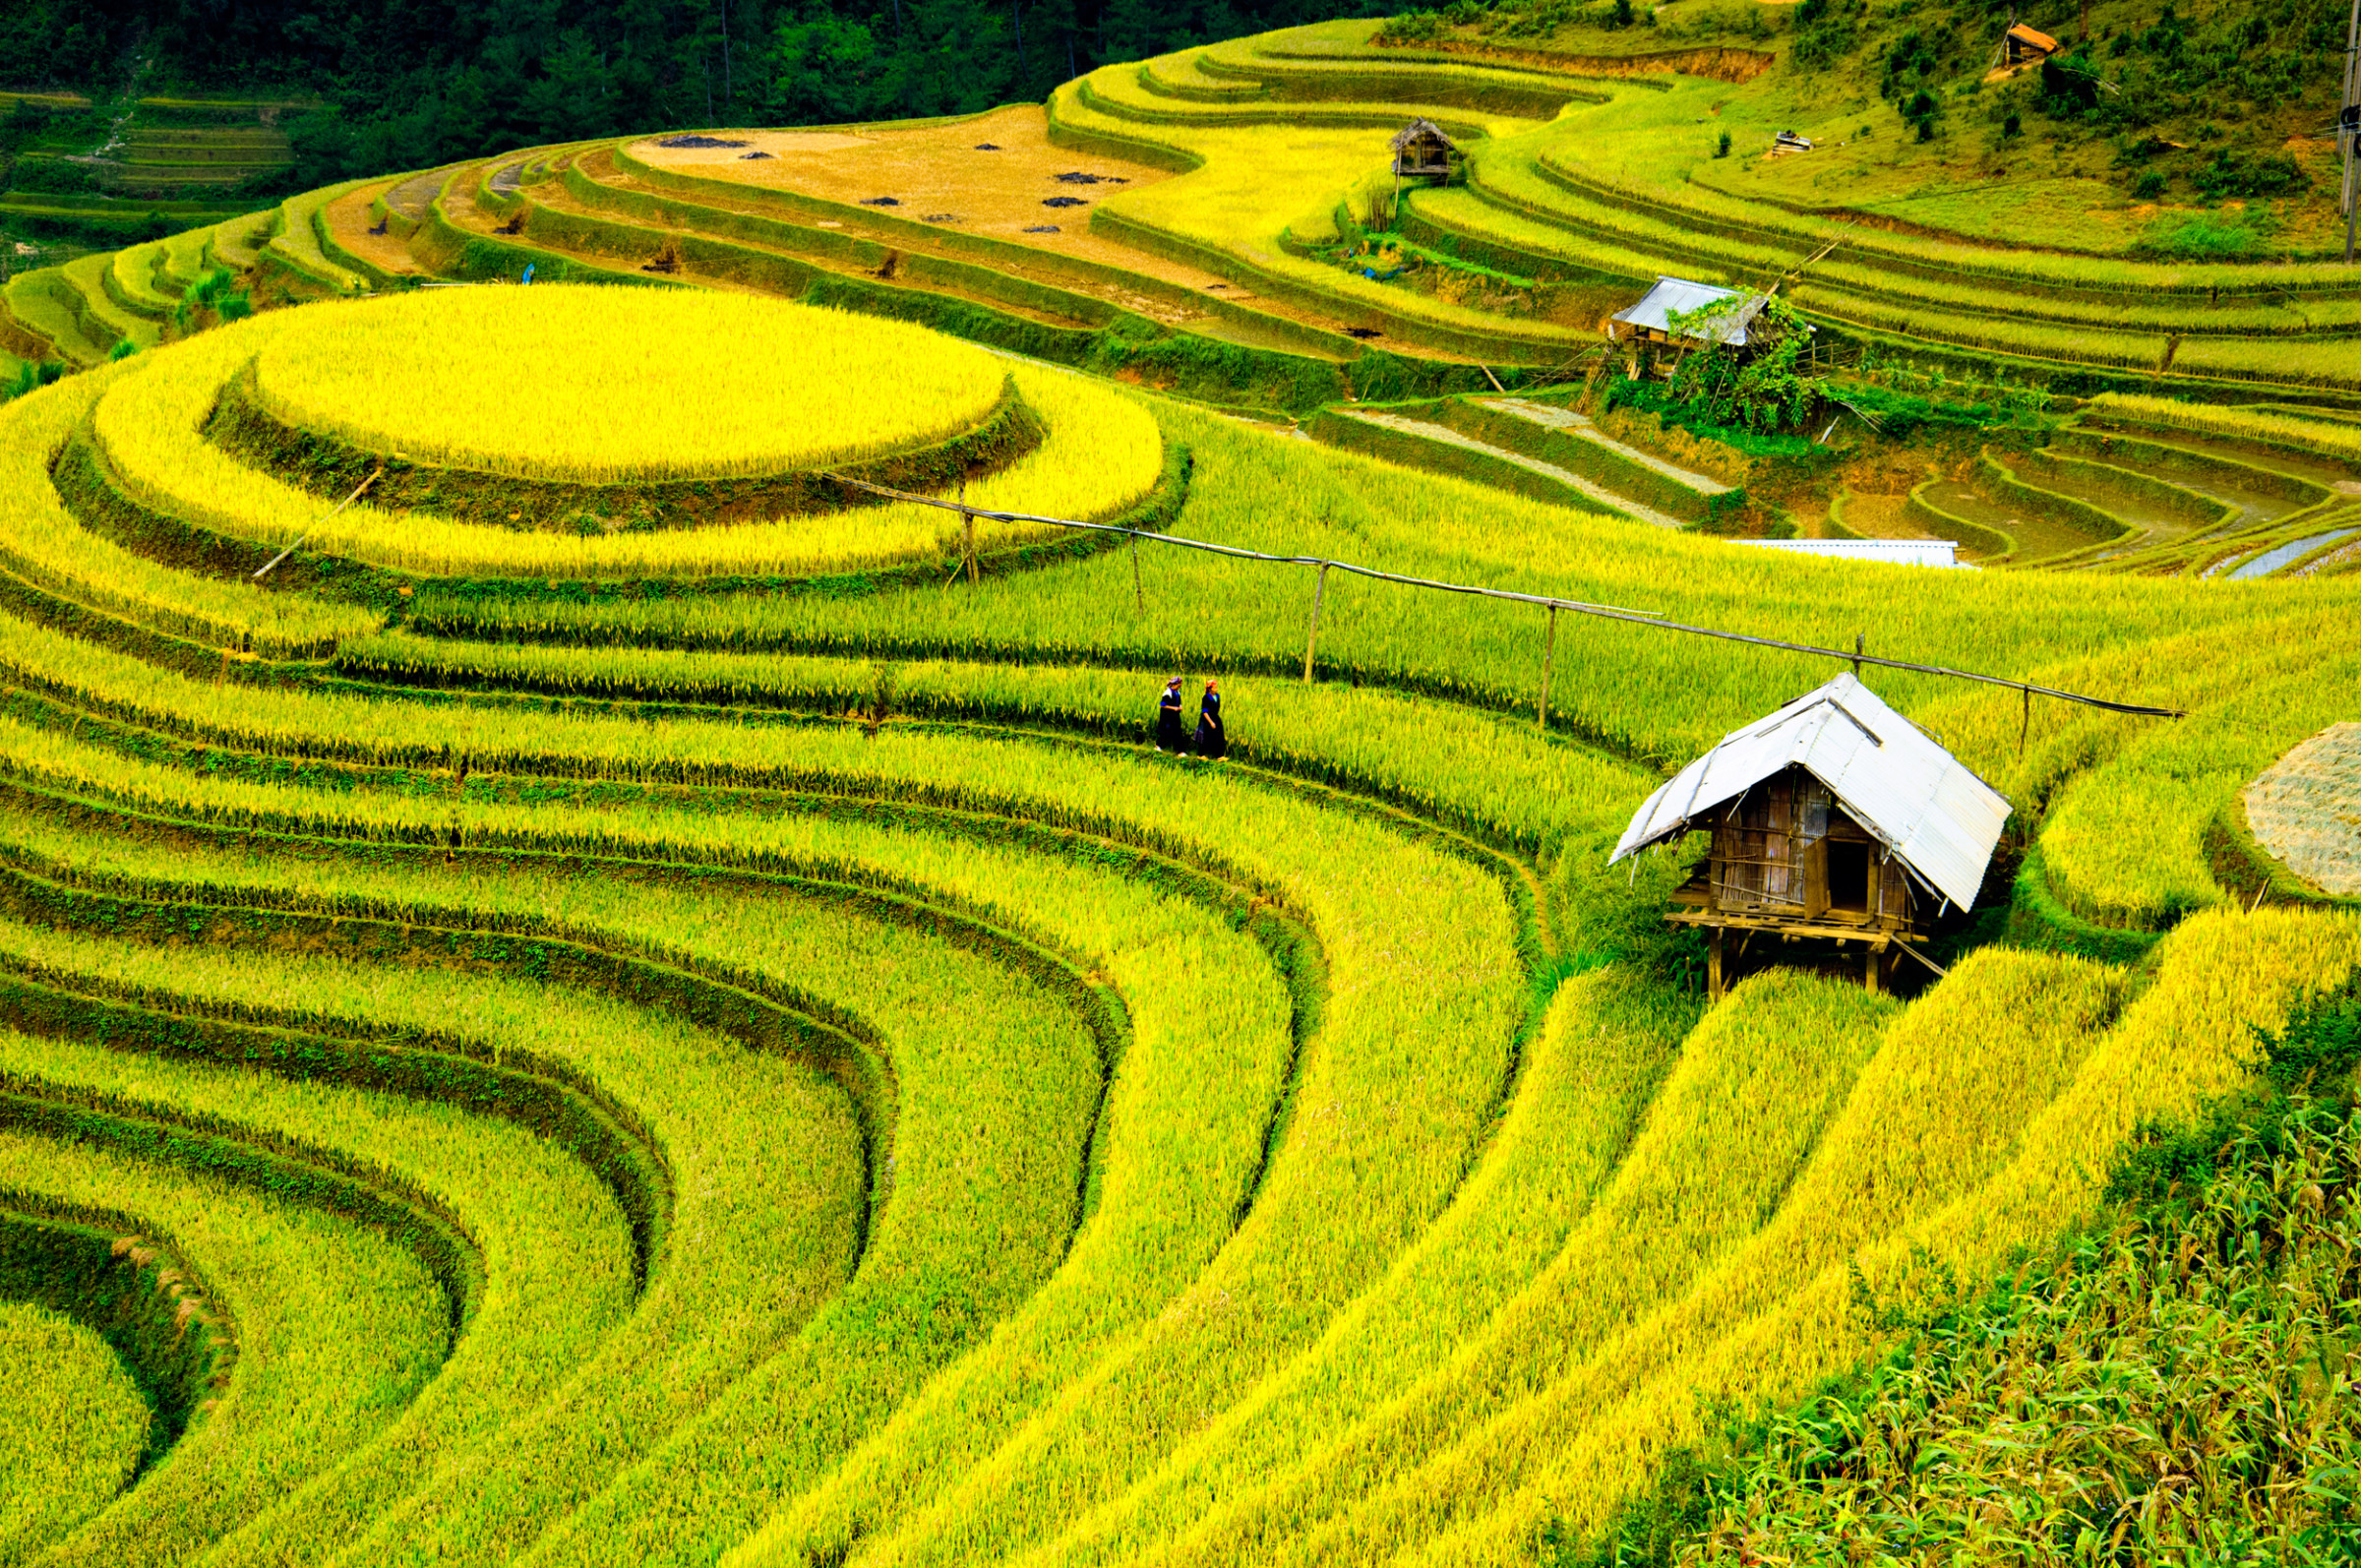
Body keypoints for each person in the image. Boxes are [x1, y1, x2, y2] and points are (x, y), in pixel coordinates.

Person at [1193, 678, 1226, 761]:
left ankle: (1219, 755)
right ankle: (1201, 754)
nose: (1216, 689)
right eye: (1214, 688)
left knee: (1219, 735)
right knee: (1205, 736)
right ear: (1210, 689)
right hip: (1207, 719)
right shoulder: (1206, 698)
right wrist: (1211, 722)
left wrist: (1215, 720)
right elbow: (1204, 711)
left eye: (1217, 687)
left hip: (1215, 717)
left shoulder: (1217, 696)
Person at [1155, 677, 1186, 754]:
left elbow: (1178, 702)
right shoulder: (1167, 693)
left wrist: (1180, 706)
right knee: (1165, 731)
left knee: (1177, 732)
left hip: (1175, 716)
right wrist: (1174, 708)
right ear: (1175, 684)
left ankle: (1179, 750)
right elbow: (1163, 705)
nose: (1179, 687)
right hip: (1167, 716)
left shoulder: (1177, 693)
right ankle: (1158, 745)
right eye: (1179, 685)